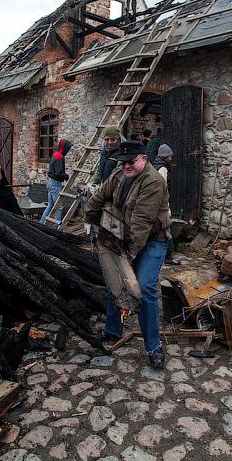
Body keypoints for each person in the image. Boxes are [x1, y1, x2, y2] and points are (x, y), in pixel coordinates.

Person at [85, 140, 172, 368]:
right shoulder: (118, 175)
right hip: (123, 234)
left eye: (131, 162)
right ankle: (113, 330)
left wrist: (127, 259)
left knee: (143, 286)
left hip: (152, 240)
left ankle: (153, 346)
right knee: (115, 280)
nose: (126, 166)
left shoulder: (153, 182)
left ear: (143, 158)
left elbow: (141, 224)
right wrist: (89, 219)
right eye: (123, 162)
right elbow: (98, 197)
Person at [154, 144, 181, 265]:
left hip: (156, 204)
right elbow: (162, 189)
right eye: (170, 156)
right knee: (167, 230)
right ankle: (168, 257)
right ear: (165, 156)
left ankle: (162, 255)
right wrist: (166, 207)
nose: (171, 159)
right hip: (161, 205)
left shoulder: (156, 165)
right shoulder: (162, 169)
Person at [39, 138, 72, 224]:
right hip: (55, 184)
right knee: (59, 207)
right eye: (68, 148)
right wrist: (66, 176)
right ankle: (58, 228)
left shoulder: (55, 154)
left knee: (50, 205)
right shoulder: (60, 157)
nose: (68, 150)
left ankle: (41, 224)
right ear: (64, 148)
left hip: (50, 183)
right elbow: (58, 173)